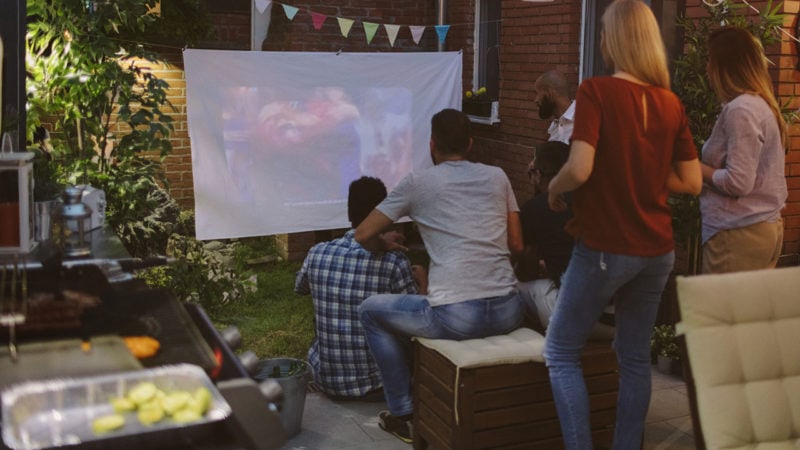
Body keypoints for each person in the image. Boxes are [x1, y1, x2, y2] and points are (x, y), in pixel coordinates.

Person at [543, 1, 702, 448]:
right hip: (657, 251)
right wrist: (644, 171)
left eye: (605, 32)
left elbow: (579, 169)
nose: (602, 41)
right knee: (633, 359)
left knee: (560, 352)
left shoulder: (596, 91)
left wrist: (554, 188)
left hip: (605, 247)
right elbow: (691, 181)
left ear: (616, 39)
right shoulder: (671, 103)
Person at [354, 108, 524, 444]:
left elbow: (362, 235)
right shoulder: (498, 176)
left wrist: (383, 244)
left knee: (370, 311)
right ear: (471, 144)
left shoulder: (418, 182)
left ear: (432, 145)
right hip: (508, 310)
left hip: (457, 317)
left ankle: (403, 412)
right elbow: (517, 245)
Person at [294, 176, 427, 401]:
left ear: (348, 214)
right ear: (383, 216)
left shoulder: (317, 252)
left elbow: (300, 287)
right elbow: (419, 321)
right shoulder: (394, 262)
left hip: (324, 379)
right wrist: (424, 282)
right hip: (376, 384)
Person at [699, 26, 787, 274]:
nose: (707, 67)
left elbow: (739, 182)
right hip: (762, 227)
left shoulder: (741, 110)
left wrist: (700, 170)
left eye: (710, 60)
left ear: (725, 65)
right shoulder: (761, 106)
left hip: (737, 233)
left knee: (718, 312)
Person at [516, 140, 572, 330]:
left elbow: (525, 270)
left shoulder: (536, 208)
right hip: (618, 317)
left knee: (513, 287)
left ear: (538, 174)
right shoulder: (593, 201)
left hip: (575, 318)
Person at [533, 70, 576, 144]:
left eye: (537, 93)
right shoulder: (554, 127)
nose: (535, 100)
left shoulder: (585, 119)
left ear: (550, 93)